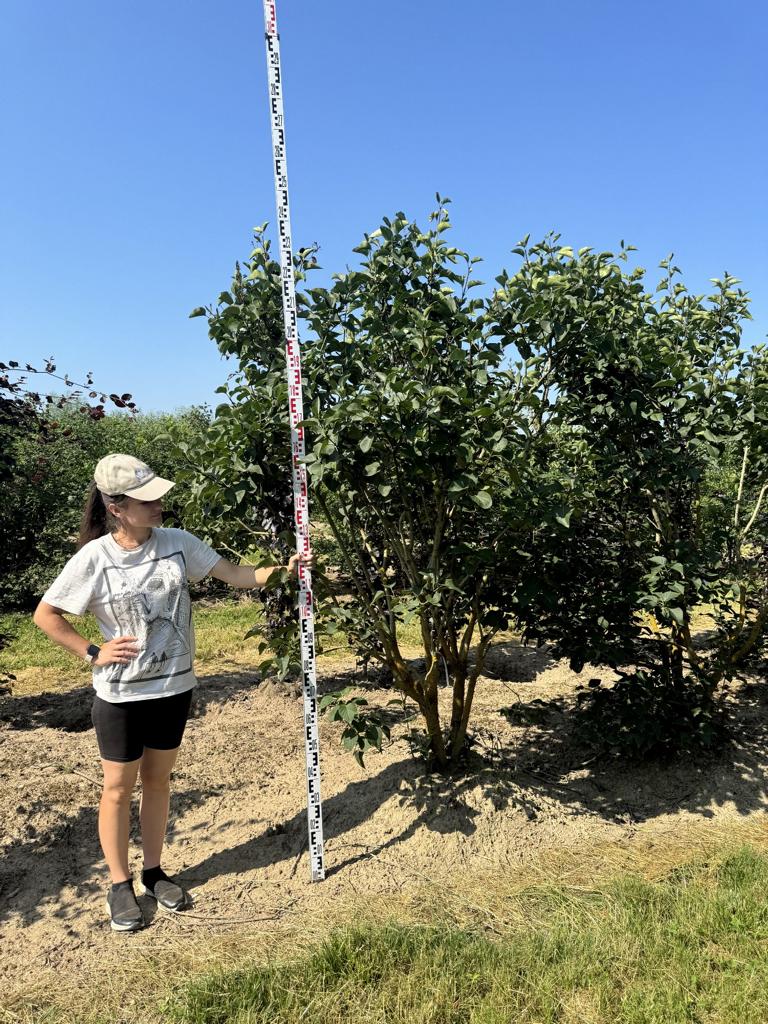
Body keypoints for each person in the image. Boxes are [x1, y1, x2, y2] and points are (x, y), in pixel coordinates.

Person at [33, 453, 314, 932]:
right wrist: (92, 651)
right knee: (118, 790)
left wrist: (284, 568)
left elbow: (238, 575)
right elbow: (47, 614)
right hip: (121, 697)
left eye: (157, 494)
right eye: (147, 499)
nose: (159, 503)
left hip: (173, 688)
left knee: (159, 783)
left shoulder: (177, 543)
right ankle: (119, 884)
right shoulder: (95, 558)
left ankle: (153, 872)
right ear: (116, 507)